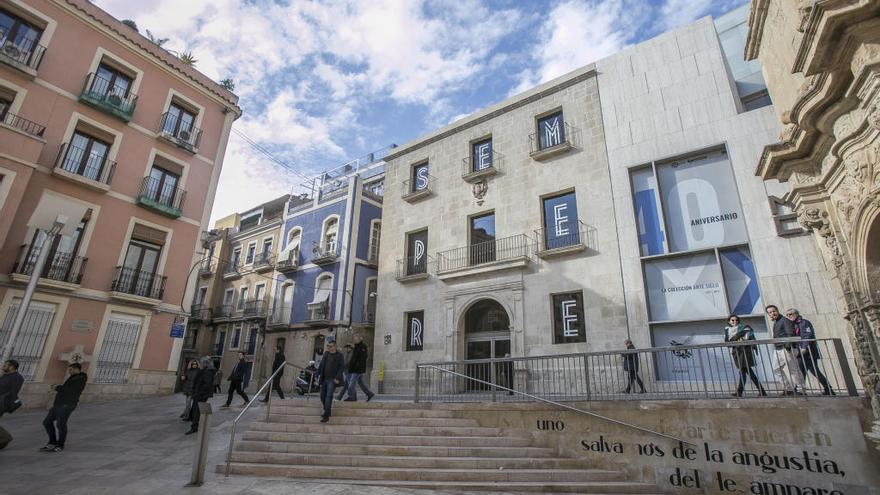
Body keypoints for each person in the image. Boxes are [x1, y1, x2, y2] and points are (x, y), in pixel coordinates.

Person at [786, 309, 834, 395]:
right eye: (787, 315)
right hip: (800, 352)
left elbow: (807, 335)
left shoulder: (804, 323)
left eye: (791, 314)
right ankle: (800, 390)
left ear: (796, 314)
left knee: (813, 370)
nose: (789, 316)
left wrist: (804, 347)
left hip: (808, 352)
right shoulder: (793, 325)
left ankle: (827, 389)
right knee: (801, 371)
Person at [41, 362, 87, 452]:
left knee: (60, 424)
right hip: (59, 404)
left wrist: (57, 387)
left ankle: (60, 444)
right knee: (47, 422)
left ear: (76, 369)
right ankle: (52, 442)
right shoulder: (73, 377)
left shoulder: (80, 378)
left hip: (67, 405)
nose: (69, 371)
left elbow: (70, 391)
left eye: (71, 369)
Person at [766, 304, 804, 396]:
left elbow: (790, 333)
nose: (772, 313)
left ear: (777, 311)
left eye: (774, 311)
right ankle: (788, 388)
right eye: (770, 312)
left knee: (793, 369)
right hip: (778, 348)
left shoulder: (785, 321)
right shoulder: (776, 322)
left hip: (786, 348)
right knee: (776, 369)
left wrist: (788, 347)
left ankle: (800, 389)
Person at [724, 315, 766, 397]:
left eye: (736, 320)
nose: (734, 322)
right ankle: (761, 391)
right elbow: (728, 342)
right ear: (729, 321)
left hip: (744, 352)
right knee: (747, 372)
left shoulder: (744, 328)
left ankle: (740, 392)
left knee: (744, 372)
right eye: (732, 320)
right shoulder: (728, 330)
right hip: (736, 352)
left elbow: (747, 338)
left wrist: (738, 335)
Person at [315, 340, 345, 423]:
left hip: (332, 380)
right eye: (328, 346)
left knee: (329, 396)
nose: (329, 348)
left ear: (335, 346)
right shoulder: (326, 354)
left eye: (331, 346)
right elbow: (321, 365)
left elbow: (341, 368)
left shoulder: (339, 355)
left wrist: (337, 378)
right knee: (322, 396)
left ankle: (326, 415)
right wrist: (317, 374)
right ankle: (327, 411)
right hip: (324, 379)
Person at [186, 356, 215, 435]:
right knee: (196, 410)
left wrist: (199, 392)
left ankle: (195, 427)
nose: (200, 364)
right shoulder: (204, 370)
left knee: (197, 411)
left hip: (201, 395)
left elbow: (207, 384)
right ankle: (194, 424)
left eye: (201, 362)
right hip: (199, 394)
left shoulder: (207, 372)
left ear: (205, 363)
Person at [0, 359, 24, 449]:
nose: (3, 366)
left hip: (2, 403)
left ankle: (5, 438)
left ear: (11, 367)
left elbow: (13, 393)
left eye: (5, 365)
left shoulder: (17, 377)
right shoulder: (5, 376)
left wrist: (5, 406)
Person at [343, 334, 375, 402]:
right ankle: (369, 394)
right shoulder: (355, 347)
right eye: (354, 339)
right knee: (361, 383)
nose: (355, 340)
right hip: (353, 368)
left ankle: (352, 397)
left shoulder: (363, 346)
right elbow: (353, 359)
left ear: (359, 339)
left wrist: (358, 365)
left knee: (351, 384)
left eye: (356, 339)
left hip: (358, 369)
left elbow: (364, 357)